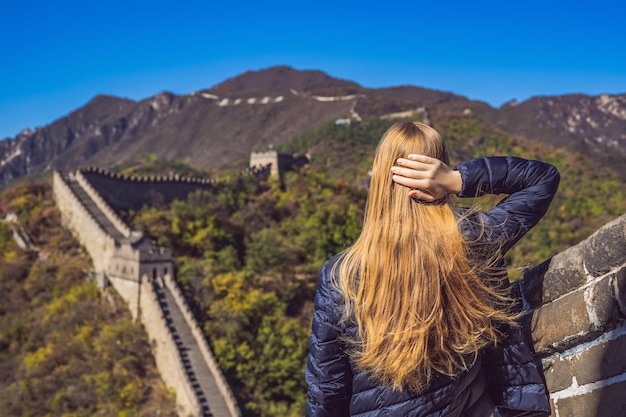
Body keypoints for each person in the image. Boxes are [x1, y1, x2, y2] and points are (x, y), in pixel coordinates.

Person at [305, 121, 559, 417]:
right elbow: (542, 178)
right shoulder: (473, 240)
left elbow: (327, 390)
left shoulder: (342, 274)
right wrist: (457, 180)